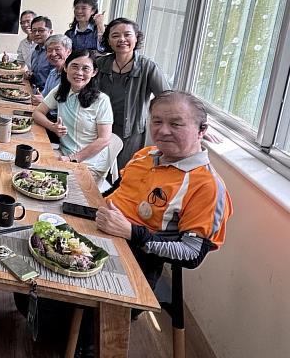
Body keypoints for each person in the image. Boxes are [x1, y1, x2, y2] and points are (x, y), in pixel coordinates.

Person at [97, 90, 233, 289]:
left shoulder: (207, 186)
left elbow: (192, 254)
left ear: (201, 130)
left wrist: (132, 233)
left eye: (175, 124)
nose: (163, 131)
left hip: (135, 259)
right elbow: (117, 191)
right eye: (157, 122)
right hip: (99, 231)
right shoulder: (146, 154)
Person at [96, 18, 170, 170]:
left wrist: (192, 122)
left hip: (130, 132)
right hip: (98, 127)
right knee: (96, 169)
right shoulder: (99, 64)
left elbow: (167, 99)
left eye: (127, 34)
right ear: (108, 41)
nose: (122, 39)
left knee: (123, 172)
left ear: (136, 38)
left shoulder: (148, 67)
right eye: (115, 35)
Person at [33, 49, 114, 185]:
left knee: (46, 185)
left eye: (85, 69)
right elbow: (37, 113)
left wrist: (73, 158)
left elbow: (104, 139)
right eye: (74, 67)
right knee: (29, 168)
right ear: (65, 68)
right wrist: (52, 127)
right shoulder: (61, 90)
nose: (79, 73)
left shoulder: (101, 100)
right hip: (63, 154)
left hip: (89, 165)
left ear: (94, 72)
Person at [27, 15, 53, 90]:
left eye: (41, 30)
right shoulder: (35, 52)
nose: (36, 34)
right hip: (34, 90)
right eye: (34, 31)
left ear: (50, 32)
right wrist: (29, 75)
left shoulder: (54, 53)